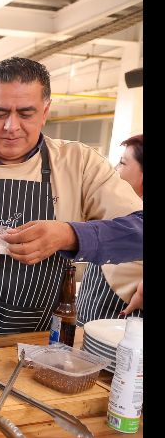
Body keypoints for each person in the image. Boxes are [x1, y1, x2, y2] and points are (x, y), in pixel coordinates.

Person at [0, 57, 142, 334]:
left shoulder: (79, 164)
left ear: (45, 112)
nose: (11, 126)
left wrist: (68, 235)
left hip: (42, 337)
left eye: (26, 113)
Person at [76, 135, 143, 322]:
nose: (114, 169)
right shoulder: (113, 211)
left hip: (123, 327)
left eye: (122, 163)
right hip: (88, 320)